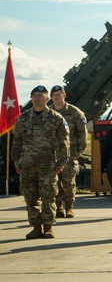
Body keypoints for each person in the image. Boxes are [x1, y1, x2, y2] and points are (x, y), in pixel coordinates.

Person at [11, 85, 69, 239]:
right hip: (27, 165)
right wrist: (17, 162)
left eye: (40, 95)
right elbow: (16, 143)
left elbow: (64, 143)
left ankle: (48, 227)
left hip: (48, 165)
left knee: (48, 196)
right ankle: (36, 227)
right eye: (34, 95)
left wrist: (61, 163)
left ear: (47, 98)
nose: (37, 98)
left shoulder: (56, 118)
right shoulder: (23, 119)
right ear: (31, 98)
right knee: (30, 198)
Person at [49, 84, 88, 219]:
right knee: (55, 182)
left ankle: (69, 207)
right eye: (54, 95)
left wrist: (79, 151)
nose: (56, 97)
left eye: (59, 94)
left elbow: (82, 133)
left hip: (70, 154)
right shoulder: (48, 113)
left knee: (68, 182)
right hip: (52, 154)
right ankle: (59, 207)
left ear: (64, 95)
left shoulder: (74, 112)